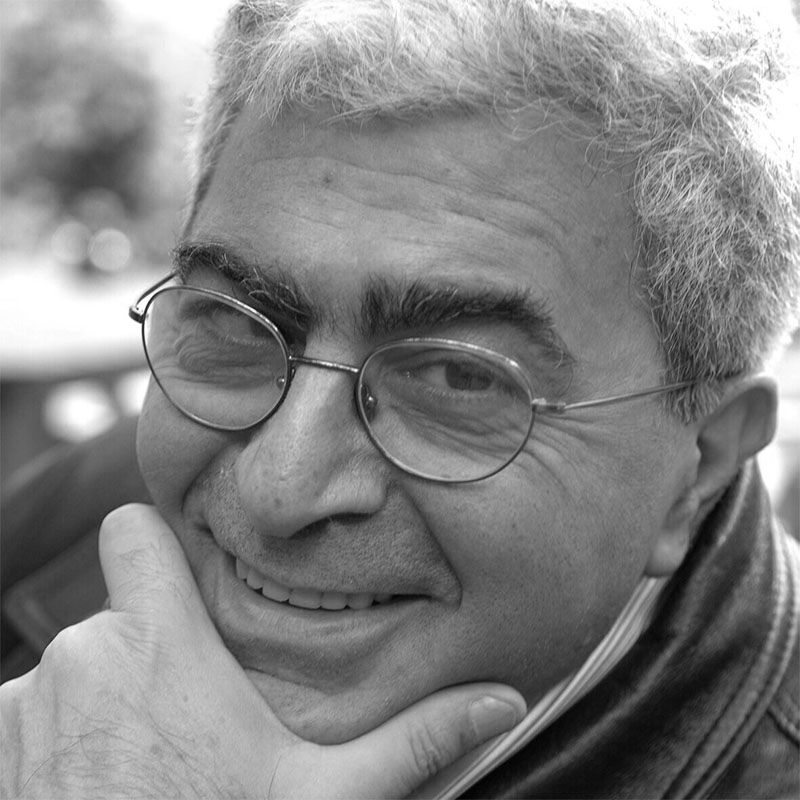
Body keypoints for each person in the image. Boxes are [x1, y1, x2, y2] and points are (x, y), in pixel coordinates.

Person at [2, 0, 799, 796]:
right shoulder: (93, 507)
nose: (278, 488)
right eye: (239, 324)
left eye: (458, 378)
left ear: (703, 463)